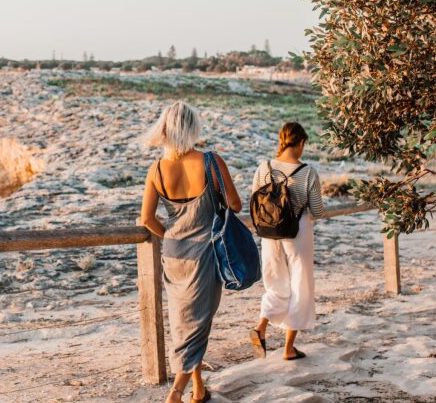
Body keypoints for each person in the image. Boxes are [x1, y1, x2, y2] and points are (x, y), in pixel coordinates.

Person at [139, 102, 242, 403]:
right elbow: (235, 205)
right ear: (193, 127)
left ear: (165, 130)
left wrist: (172, 235)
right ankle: (175, 394)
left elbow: (147, 218)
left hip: (173, 255)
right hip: (204, 255)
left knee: (184, 322)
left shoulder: (157, 169)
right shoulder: (211, 161)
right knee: (198, 324)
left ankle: (198, 389)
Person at [249, 122, 324, 360]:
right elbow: (318, 210)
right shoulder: (309, 172)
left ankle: (261, 326)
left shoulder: (264, 167)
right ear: (301, 143)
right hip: (298, 231)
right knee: (300, 285)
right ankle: (288, 348)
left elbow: (254, 199)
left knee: (276, 282)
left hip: (269, 232)